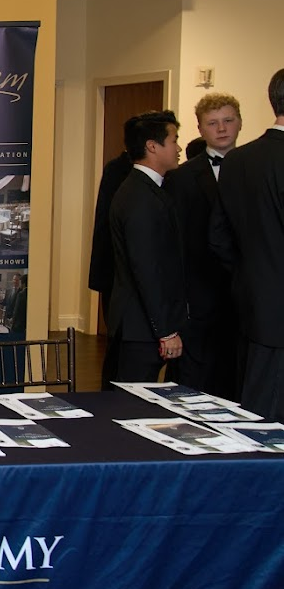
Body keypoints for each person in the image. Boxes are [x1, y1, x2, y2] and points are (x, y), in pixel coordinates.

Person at [211, 70, 284, 419]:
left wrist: (249, 275)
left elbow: (219, 237)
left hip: (250, 302)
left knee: (255, 406)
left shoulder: (238, 160)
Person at [166, 92, 242, 399]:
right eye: (213, 123)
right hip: (198, 296)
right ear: (201, 129)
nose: (221, 128)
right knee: (194, 380)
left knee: (237, 375)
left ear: (240, 123)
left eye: (228, 121)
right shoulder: (182, 178)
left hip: (245, 295)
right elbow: (175, 242)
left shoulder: (256, 167)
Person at [108, 111, 186, 384]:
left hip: (139, 324)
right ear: (153, 146)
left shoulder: (143, 190)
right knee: (132, 406)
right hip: (141, 326)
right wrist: (166, 331)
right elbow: (147, 269)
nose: (178, 148)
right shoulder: (141, 198)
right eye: (174, 140)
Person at [88, 119, 136, 387]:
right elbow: (106, 227)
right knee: (118, 346)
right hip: (117, 275)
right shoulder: (119, 173)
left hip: (117, 276)